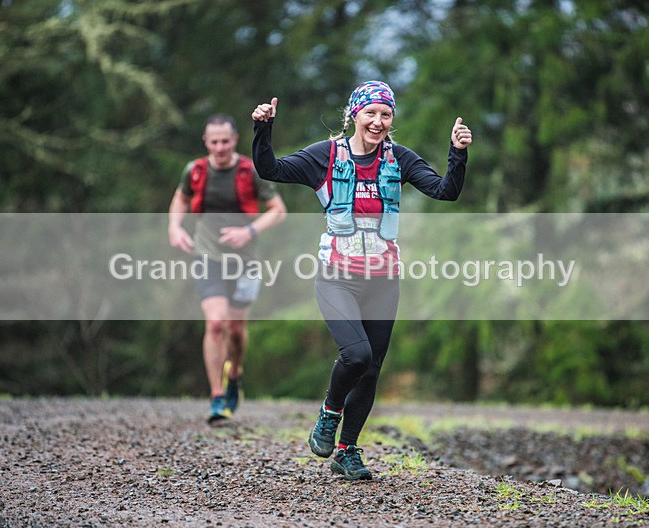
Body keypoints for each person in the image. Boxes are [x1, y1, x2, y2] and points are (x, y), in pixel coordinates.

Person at [251, 81, 472, 479]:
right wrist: (263, 128)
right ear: (354, 115)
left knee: (372, 369)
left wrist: (458, 152)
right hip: (336, 276)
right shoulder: (326, 155)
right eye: (371, 113)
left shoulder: (398, 159)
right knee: (357, 355)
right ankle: (328, 413)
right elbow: (271, 169)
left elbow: (445, 191)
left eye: (386, 114)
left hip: (383, 280)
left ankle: (346, 451)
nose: (378, 121)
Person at [169, 114, 287, 423]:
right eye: (213, 142)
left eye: (225, 141)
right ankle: (217, 397)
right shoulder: (194, 171)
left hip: (245, 262)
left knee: (236, 331)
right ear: (206, 142)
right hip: (206, 257)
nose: (220, 147)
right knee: (216, 324)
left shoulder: (251, 171)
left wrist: (247, 232)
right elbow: (180, 200)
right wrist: (175, 227)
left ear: (234, 140)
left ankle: (234, 372)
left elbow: (278, 211)